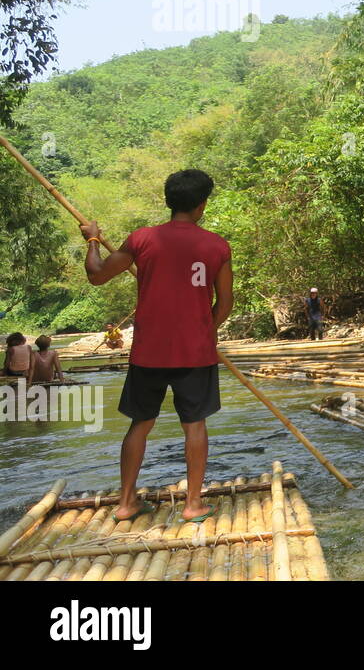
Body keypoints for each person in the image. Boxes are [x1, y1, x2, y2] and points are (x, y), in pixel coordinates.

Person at [80, 169, 234, 524]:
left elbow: (97, 275)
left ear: (169, 201)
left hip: (149, 352)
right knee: (194, 425)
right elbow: (225, 303)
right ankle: (193, 505)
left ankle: (125, 503)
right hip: (195, 353)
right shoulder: (217, 245)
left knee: (140, 423)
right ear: (201, 205)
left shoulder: (142, 239)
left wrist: (92, 239)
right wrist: (204, 331)